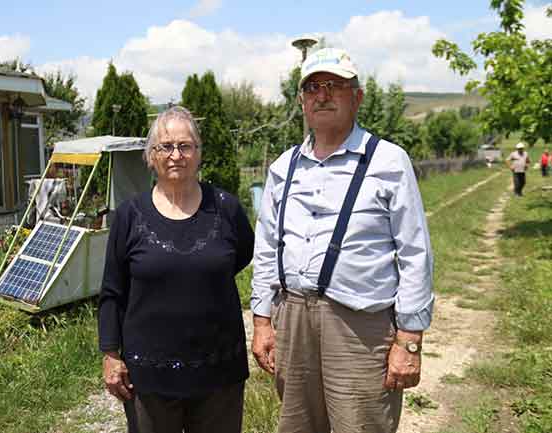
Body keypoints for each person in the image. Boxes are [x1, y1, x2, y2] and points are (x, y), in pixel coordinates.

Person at [250, 48, 434, 433]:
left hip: (359, 326)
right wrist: (263, 321)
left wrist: (410, 340)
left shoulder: (388, 161)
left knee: (361, 425)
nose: (323, 94)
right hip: (293, 319)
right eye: (313, 87)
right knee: (297, 426)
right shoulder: (283, 168)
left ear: (357, 96)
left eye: (335, 85)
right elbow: (266, 249)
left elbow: (415, 254)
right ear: (301, 101)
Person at [98, 106, 254, 433]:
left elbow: (241, 256)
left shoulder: (226, 209)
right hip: (149, 379)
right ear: (151, 156)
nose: (175, 155)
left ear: (198, 154)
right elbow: (112, 290)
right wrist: (111, 354)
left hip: (219, 375)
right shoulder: (129, 215)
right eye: (165, 146)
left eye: (185, 146)